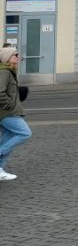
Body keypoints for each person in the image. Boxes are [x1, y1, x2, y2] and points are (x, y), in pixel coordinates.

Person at [0, 47, 31, 181]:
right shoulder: (4, 72)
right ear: (7, 58)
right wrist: (10, 105)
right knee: (25, 133)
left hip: (8, 112)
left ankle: (0, 170)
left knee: (7, 141)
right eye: (15, 55)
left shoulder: (10, 71)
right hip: (7, 113)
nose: (18, 57)